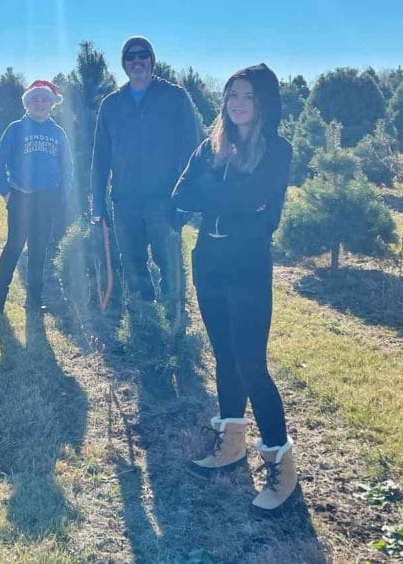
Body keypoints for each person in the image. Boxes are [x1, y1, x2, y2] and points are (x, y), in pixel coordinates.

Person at [170, 63, 297, 513]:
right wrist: (223, 196)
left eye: (246, 95)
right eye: (230, 95)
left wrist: (217, 195)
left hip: (247, 263)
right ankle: (231, 443)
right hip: (208, 258)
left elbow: (256, 207)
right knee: (223, 354)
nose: (236, 103)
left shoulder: (277, 151)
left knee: (250, 362)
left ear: (262, 102)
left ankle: (281, 464)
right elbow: (180, 195)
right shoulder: (211, 145)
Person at [90, 36, 201, 324]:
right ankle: (145, 322)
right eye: (130, 57)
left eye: (142, 55)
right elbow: (100, 157)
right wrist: (98, 203)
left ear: (152, 60)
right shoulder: (112, 104)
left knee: (169, 263)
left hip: (164, 199)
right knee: (133, 264)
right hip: (124, 200)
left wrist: (185, 199)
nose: (136, 61)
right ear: (124, 64)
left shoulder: (174, 98)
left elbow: (192, 150)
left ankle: (175, 319)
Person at [0, 80, 74, 315]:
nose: (40, 103)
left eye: (45, 99)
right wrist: (6, 193)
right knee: (14, 247)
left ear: (52, 103)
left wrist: (61, 197)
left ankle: (34, 300)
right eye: (35, 99)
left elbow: (67, 168)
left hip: (46, 200)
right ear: (27, 102)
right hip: (20, 198)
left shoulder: (58, 133)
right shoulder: (16, 128)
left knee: (39, 249)